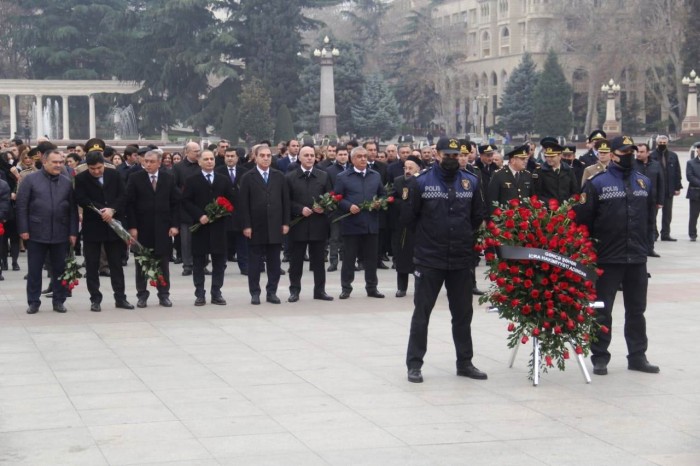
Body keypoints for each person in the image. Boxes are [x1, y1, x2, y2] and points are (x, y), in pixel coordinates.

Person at [402, 137, 488, 383]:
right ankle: (414, 364)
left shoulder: (470, 182)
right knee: (422, 314)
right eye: (447, 155)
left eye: (455, 155)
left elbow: (476, 217)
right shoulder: (421, 182)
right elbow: (409, 218)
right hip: (430, 259)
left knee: (463, 314)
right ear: (437, 155)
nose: (451, 159)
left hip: (461, 259)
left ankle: (465, 363)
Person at [575, 136, 659, 376]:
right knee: (602, 309)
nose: (628, 155)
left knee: (636, 310)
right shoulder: (597, 183)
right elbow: (583, 220)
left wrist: (646, 244)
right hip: (607, 258)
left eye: (631, 151)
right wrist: (590, 252)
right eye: (623, 152)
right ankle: (600, 356)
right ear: (611, 154)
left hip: (636, 258)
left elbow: (649, 218)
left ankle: (637, 355)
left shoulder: (643, 182)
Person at [16, 149, 78, 314]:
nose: (58, 165)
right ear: (44, 162)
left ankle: (59, 300)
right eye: (55, 162)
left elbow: (72, 209)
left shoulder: (66, 182)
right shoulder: (30, 180)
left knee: (60, 269)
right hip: (36, 233)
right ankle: (33, 302)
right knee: (35, 270)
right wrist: (23, 229)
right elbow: (22, 206)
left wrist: (73, 232)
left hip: (61, 233)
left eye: (60, 162)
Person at [74, 152, 133, 312]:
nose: (96, 171)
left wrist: (112, 209)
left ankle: (120, 298)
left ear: (103, 164)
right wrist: (101, 210)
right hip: (93, 226)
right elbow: (81, 199)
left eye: (99, 168)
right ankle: (95, 299)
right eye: (92, 169)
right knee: (92, 265)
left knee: (116, 264)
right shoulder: (81, 178)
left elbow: (123, 195)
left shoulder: (114, 174)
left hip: (113, 226)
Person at [126, 150, 180, 308]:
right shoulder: (135, 178)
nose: (147, 164)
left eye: (151, 161)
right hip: (142, 228)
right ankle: (142, 294)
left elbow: (176, 203)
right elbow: (129, 204)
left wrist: (175, 225)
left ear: (159, 162)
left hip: (163, 228)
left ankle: (164, 294)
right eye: (146, 161)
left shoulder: (168, 178)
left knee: (163, 263)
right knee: (141, 262)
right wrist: (132, 227)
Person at [239, 144, 290, 305]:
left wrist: (285, 222)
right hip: (256, 226)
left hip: (275, 225)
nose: (266, 158)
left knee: (274, 261)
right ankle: (255, 292)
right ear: (255, 157)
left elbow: (285, 201)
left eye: (269, 155)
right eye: (263, 155)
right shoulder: (248, 177)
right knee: (255, 262)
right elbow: (243, 204)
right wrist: (246, 225)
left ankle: (272, 292)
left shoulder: (279, 176)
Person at [182, 150, 235, 306]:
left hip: (219, 228)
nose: (210, 161)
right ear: (199, 162)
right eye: (206, 159)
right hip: (201, 228)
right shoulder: (192, 180)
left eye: (212, 159)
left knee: (219, 262)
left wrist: (222, 213)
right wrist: (199, 216)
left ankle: (216, 292)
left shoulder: (223, 180)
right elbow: (186, 201)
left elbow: (231, 201)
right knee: (198, 262)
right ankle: (200, 293)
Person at [334, 146, 386, 299]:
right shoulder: (343, 177)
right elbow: (337, 198)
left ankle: (372, 287)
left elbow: (383, 194)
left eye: (365, 156)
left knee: (371, 259)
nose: (364, 159)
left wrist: (379, 202)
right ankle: (346, 288)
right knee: (349, 258)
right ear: (352, 159)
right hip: (351, 224)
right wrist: (348, 206)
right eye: (360, 156)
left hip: (371, 224)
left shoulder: (375, 175)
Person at [286, 145, 334, 302]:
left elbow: (331, 198)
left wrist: (324, 207)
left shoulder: (323, 176)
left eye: (312, 155)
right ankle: (294, 291)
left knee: (319, 261)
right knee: (296, 261)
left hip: (318, 224)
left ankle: (320, 291)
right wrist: (299, 209)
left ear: (316, 157)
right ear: (299, 157)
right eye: (306, 155)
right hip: (298, 225)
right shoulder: (290, 177)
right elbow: (286, 201)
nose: (309, 158)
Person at [390, 155, 421, 297]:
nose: (407, 171)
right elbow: (392, 198)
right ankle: (402, 288)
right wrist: (401, 204)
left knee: (419, 259)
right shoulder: (398, 181)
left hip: (419, 226)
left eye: (411, 168)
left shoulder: (422, 181)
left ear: (418, 169)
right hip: (403, 226)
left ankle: (419, 287)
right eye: (406, 168)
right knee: (402, 257)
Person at [215, 146, 249, 273]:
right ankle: (221, 265)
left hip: (240, 211)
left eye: (232, 156)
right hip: (223, 212)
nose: (229, 158)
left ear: (237, 157)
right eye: (227, 156)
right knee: (223, 241)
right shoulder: (218, 171)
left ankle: (244, 266)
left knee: (242, 241)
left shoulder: (244, 171)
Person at [172, 141, 202, 276]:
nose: (198, 153)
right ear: (187, 152)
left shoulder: (203, 165)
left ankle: (202, 264)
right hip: (185, 207)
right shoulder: (178, 167)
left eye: (199, 150)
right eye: (196, 151)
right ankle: (187, 265)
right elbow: (174, 186)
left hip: (202, 207)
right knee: (186, 239)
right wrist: (185, 195)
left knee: (202, 237)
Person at [322, 146, 350, 272]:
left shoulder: (352, 169)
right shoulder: (329, 170)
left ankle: (348, 260)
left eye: (345, 154)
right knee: (334, 237)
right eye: (341, 154)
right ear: (336, 155)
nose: (343, 156)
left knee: (348, 237)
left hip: (350, 208)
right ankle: (333, 261)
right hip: (335, 208)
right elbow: (328, 189)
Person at [635, 143, 664, 256]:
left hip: (651, 200)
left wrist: (660, 201)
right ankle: (637, 248)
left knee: (651, 223)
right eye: (637, 151)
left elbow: (661, 183)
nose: (639, 154)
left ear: (648, 153)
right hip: (636, 200)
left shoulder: (656, 165)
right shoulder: (633, 165)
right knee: (637, 225)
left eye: (642, 152)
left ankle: (649, 248)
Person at [651, 135, 682, 241]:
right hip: (656, 189)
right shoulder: (651, 156)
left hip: (669, 189)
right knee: (653, 213)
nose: (662, 145)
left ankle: (665, 234)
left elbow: (677, 172)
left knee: (667, 214)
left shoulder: (673, 155)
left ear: (667, 143)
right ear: (657, 143)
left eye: (664, 143)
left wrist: (678, 187)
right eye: (660, 143)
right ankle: (653, 234)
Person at [486, 145, 533, 213]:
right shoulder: (498, 175)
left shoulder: (527, 175)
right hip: (505, 219)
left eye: (525, 159)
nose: (525, 161)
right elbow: (492, 200)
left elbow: (532, 198)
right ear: (513, 160)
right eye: (522, 159)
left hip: (524, 220)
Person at [532, 140, 579, 205]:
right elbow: (537, 194)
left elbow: (575, 191)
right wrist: (550, 203)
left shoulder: (568, 170)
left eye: (552, 156)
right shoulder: (539, 172)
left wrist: (569, 203)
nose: (549, 159)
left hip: (565, 209)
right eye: (547, 156)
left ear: (560, 156)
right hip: (547, 211)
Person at [686, 152, 700, 241]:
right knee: (694, 215)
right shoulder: (691, 163)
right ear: (697, 151)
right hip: (695, 193)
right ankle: (692, 234)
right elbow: (689, 176)